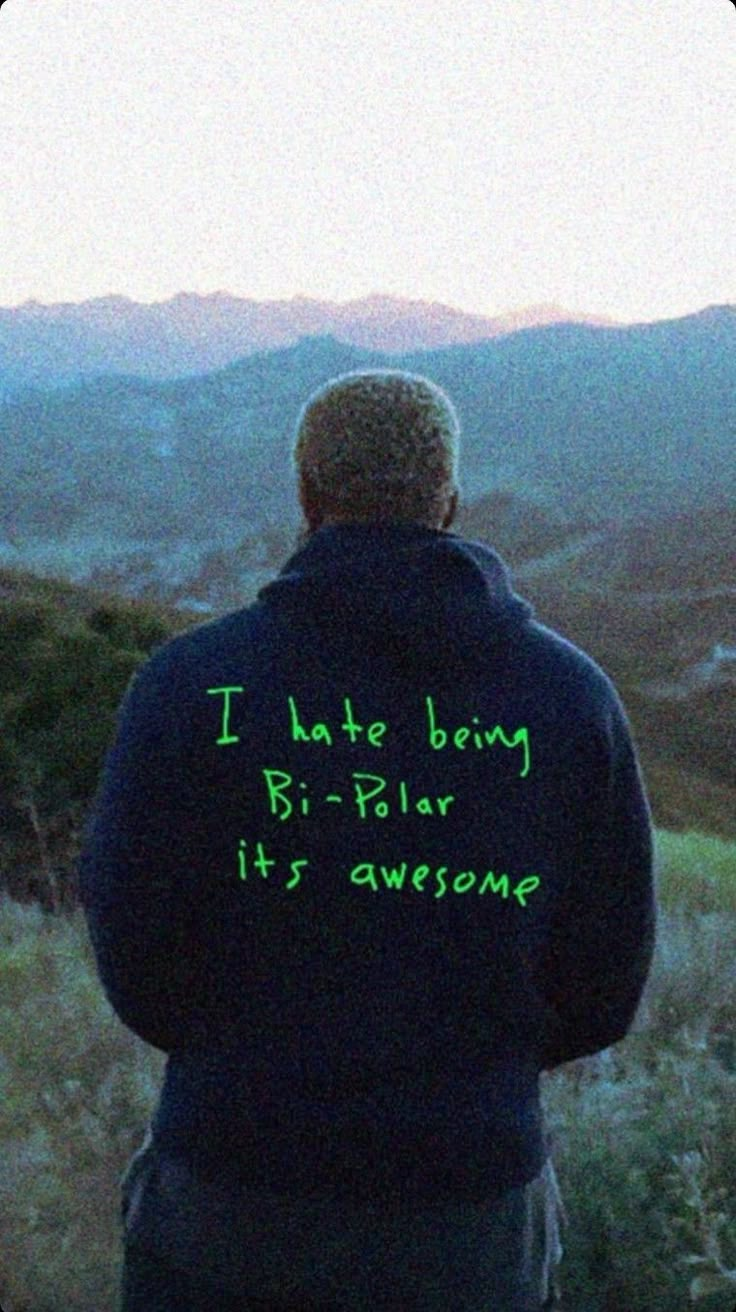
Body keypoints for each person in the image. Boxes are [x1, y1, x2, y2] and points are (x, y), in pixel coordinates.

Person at [79, 369, 656, 1311]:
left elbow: (134, 953)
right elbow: (605, 982)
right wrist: (470, 1071)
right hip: (471, 1214)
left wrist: (247, 1056)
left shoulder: (189, 686)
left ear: (305, 497)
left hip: (230, 1194)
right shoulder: (569, 699)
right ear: (451, 502)